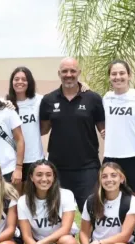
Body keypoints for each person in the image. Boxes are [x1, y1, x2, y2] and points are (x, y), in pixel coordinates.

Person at [40, 57, 105, 211]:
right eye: (65, 71)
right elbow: (43, 129)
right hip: (57, 168)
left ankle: (90, 237)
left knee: (91, 211)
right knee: (55, 214)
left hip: (87, 168)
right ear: (59, 73)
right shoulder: (48, 100)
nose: (68, 74)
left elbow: (104, 129)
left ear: (79, 73)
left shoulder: (93, 98)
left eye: (72, 71)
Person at [16, 159, 81, 244]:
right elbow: (26, 235)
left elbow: (65, 229)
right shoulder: (23, 201)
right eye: (39, 175)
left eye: (48, 175)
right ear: (31, 178)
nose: (44, 179)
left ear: (54, 177)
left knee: (68, 241)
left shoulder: (66, 195)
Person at [102, 60, 135, 196]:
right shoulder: (106, 98)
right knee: (110, 196)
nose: (118, 77)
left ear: (129, 75)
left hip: (133, 155)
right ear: (109, 77)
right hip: (111, 156)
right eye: (114, 74)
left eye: (122, 73)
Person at [6, 67, 44, 191]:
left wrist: (82, 85)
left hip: (35, 158)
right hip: (13, 160)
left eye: (24, 79)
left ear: (30, 82)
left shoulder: (39, 100)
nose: (20, 82)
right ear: (12, 82)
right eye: (16, 79)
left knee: (33, 199)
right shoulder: (5, 103)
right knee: (16, 200)